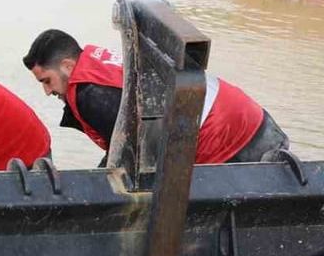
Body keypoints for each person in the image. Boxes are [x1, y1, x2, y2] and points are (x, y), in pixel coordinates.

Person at [22, 30, 289, 165]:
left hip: (228, 140)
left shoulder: (89, 94)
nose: (47, 91)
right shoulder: (96, 61)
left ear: (68, 66)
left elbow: (135, 156)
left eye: (47, 81)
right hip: (250, 117)